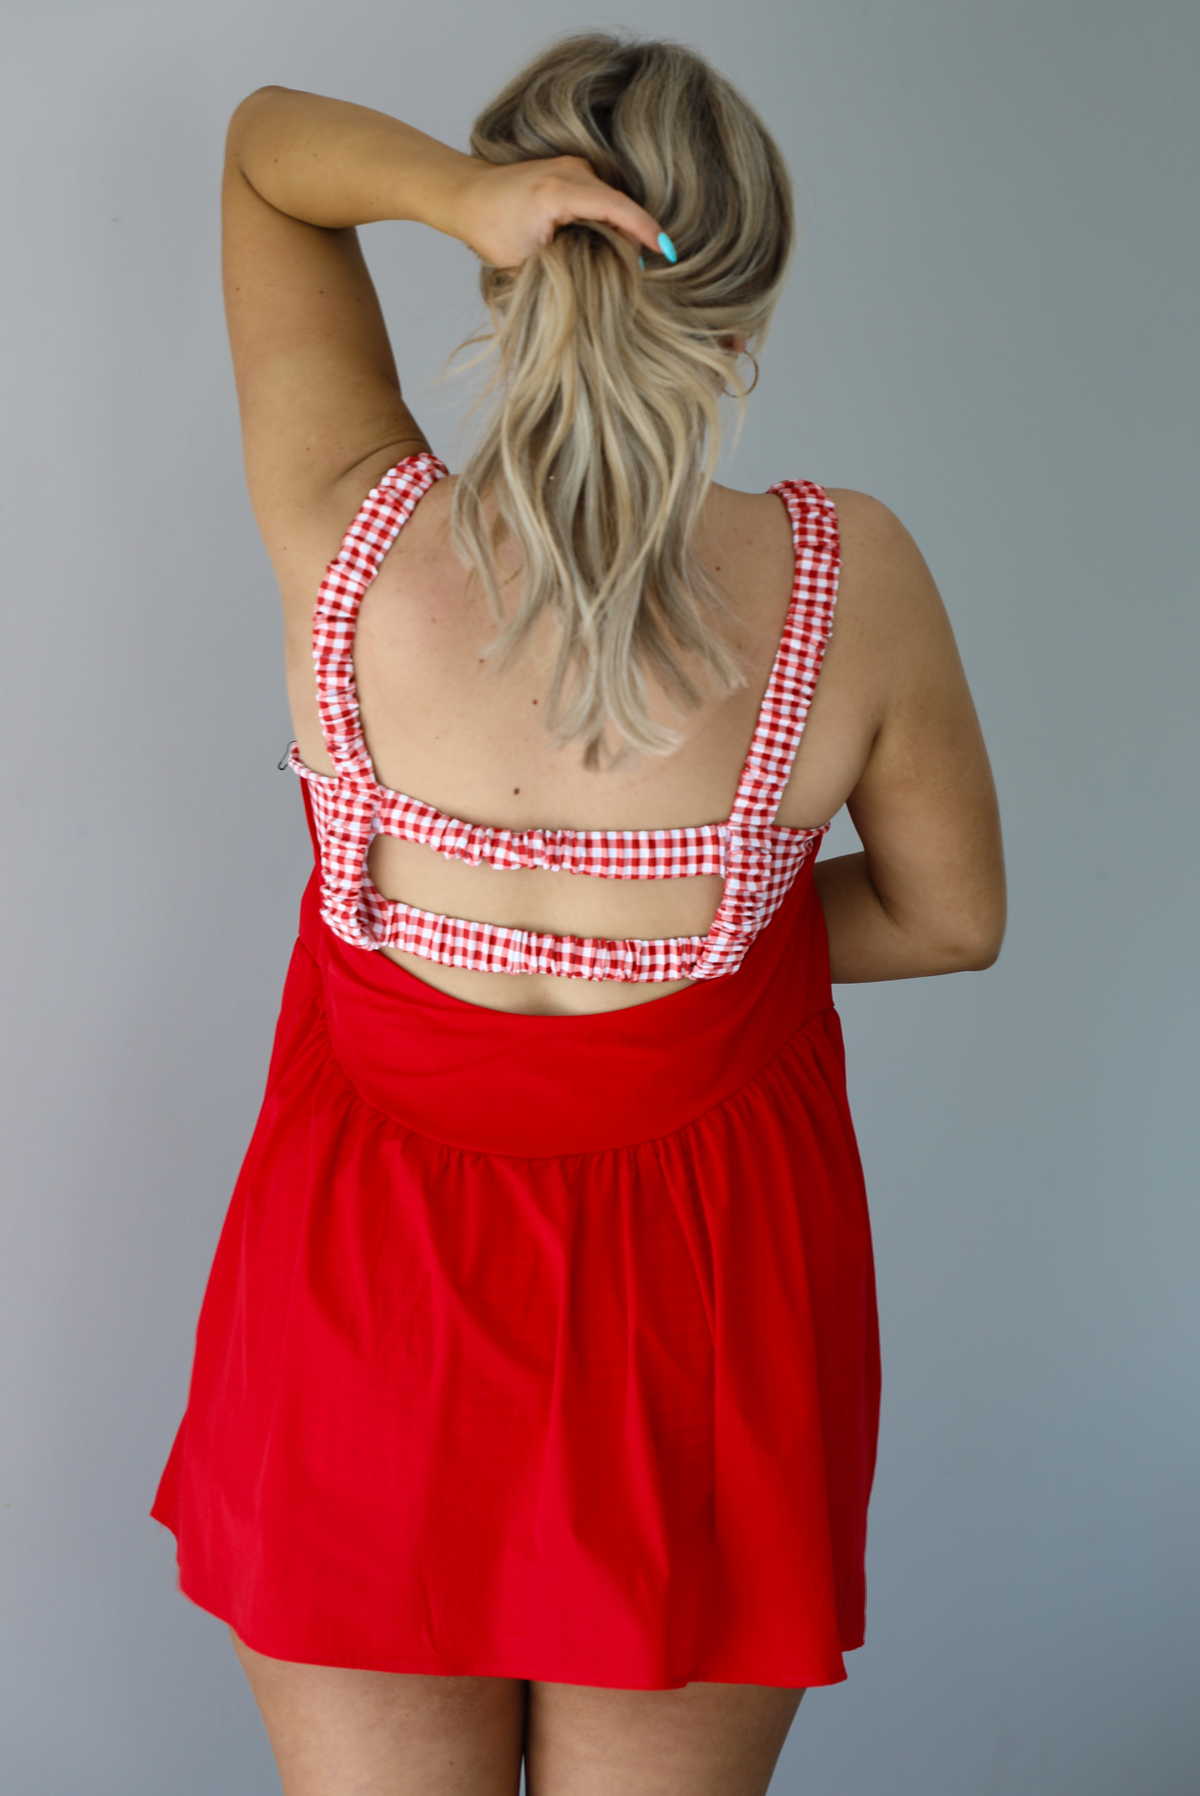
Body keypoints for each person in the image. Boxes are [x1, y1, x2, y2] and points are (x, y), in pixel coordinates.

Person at [151, 32, 1005, 1796]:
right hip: (696, 1333)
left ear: (504, 267)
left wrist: (461, 194)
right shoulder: (853, 578)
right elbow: (947, 920)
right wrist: (693, 944)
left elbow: (264, 155)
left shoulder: (351, 535)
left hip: (361, 1309)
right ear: (746, 303)